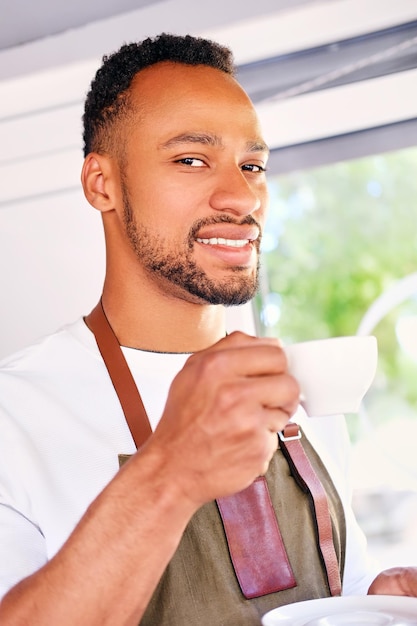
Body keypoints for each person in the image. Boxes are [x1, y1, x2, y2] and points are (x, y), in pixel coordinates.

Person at [0, 33, 416, 626]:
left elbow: (327, 601)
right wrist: (168, 471)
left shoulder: (303, 391)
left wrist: (378, 598)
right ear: (102, 184)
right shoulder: (13, 416)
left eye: (253, 166)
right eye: (191, 159)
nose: (242, 196)